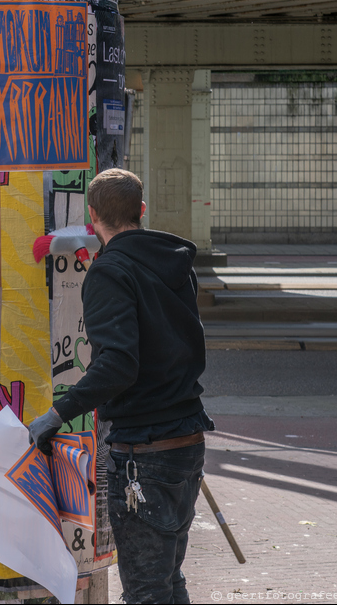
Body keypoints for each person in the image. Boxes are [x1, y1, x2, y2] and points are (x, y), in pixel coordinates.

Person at [28, 168, 214, 604]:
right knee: (167, 581)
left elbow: (118, 367)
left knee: (148, 591)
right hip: (185, 442)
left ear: (92, 215)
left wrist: (55, 415)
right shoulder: (175, 262)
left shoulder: (110, 273)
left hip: (145, 456)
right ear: (142, 210)